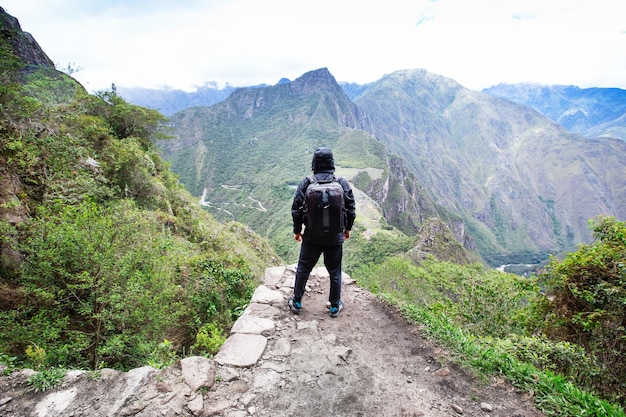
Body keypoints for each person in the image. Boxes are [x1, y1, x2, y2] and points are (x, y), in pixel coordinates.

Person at [288, 147, 356, 318]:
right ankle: (334, 306)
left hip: (312, 236)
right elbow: (350, 208)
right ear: (332, 163)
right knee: (335, 271)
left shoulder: (307, 182)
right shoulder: (341, 182)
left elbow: (296, 209)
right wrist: (347, 229)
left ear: (314, 163)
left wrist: (298, 231)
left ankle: (296, 301)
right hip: (334, 237)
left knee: (303, 268)